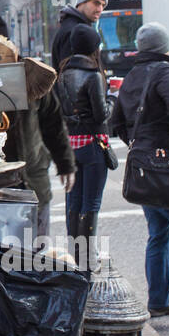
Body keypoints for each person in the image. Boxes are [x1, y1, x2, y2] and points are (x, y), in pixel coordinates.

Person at [111, 22, 169, 318]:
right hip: (168, 164)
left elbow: (116, 122)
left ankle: (159, 300)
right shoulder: (164, 71)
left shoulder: (131, 75)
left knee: (158, 233)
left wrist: (140, 146)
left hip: (144, 167)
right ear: (164, 46)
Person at [0, 20, 75, 240]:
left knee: (36, 252)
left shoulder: (32, 77)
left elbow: (53, 125)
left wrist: (65, 164)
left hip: (32, 178)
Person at [55, 23, 111, 273]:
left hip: (70, 146)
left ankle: (77, 259)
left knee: (73, 202)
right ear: (94, 48)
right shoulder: (93, 75)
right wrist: (110, 103)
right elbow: (101, 115)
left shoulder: (61, 73)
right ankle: (88, 261)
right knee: (91, 204)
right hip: (92, 144)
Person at [51, 0, 108, 71]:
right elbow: (71, 76)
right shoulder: (74, 31)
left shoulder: (76, 27)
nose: (100, 9)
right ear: (81, 2)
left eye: (103, 5)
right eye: (96, 3)